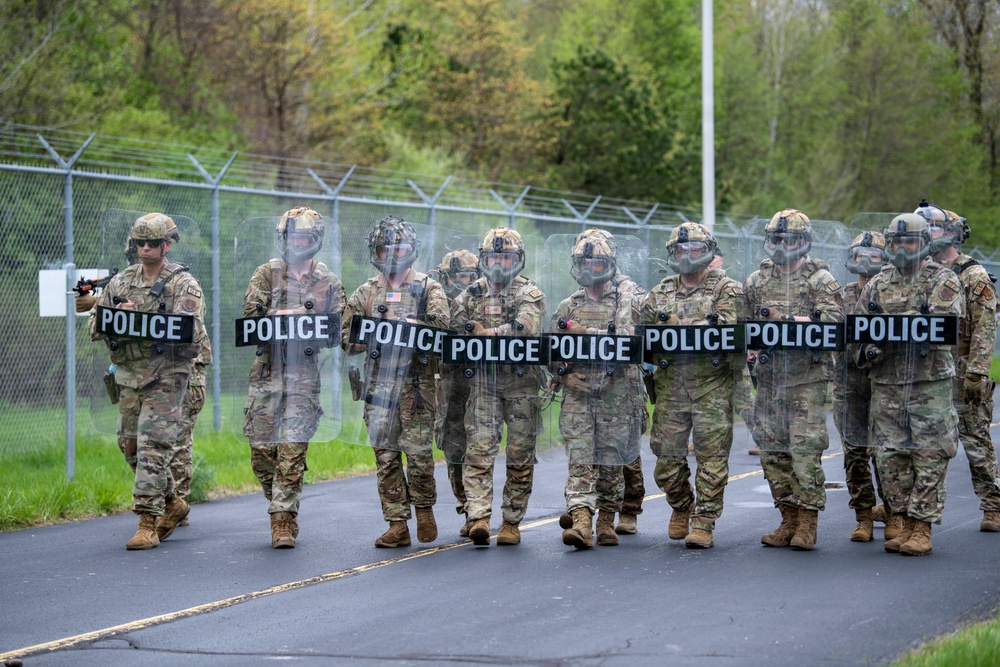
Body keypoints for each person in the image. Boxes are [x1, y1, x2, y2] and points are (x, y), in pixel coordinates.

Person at [88, 213, 207, 550]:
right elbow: (95, 327)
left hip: (167, 376)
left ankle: (147, 522)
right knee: (129, 446)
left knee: (152, 446)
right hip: (129, 376)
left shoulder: (184, 285)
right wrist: (117, 316)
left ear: (166, 245)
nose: (145, 248)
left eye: (152, 243)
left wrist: (142, 318)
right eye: (139, 242)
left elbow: (192, 335)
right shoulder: (121, 282)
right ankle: (173, 502)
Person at [857, 212, 964, 555]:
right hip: (887, 384)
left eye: (910, 241)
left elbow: (941, 323)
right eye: (896, 241)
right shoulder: (877, 283)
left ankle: (922, 527)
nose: (902, 247)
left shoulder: (943, 280)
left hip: (927, 384)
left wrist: (884, 328)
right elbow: (857, 331)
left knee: (929, 456)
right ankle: (901, 518)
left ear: (925, 244)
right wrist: (868, 348)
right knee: (889, 457)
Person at [342, 215, 448, 548]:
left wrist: (415, 327)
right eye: (385, 248)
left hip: (417, 387)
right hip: (378, 390)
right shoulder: (366, 293)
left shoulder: (429, 288)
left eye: (398, 248)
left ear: (410, 250)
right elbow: (345, 338)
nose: (392, 254)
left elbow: (444, 333)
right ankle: (397, 522)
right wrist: (373, 336)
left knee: (418, 456)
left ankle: (424, 509)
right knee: (386, 459)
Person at [243, 207, 345, 548]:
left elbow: (338, 329)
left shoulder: (328, 281)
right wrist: (293, 313)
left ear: (315, 240)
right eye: (291, 236)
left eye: (302, 236)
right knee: (261, 452)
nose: (296, 242)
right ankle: (278, 501)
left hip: (303, 375)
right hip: (266, 374)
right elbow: (250, 319)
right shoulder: (266, 274)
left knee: (291, 449)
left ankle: (282, 520)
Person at [744, 209, 844, 551]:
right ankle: (786, 517)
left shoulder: (820, 280)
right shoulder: (757, 281)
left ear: (804, 243)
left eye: (792, 240)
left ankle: (807, 521)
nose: (784, 245)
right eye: (777, 239)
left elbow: (832, 325)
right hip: (770, 379)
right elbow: (744, 329)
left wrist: (786, 319)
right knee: (772, 453)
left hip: (806, 379)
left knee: (804, 451)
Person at [642, 222, 744, 548]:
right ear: (672, 253)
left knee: (712, 460)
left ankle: (704, 523)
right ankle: (682, 506)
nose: (688, 255)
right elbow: (640, 333)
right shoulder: (660, 291)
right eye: (681, 250)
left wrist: (677, 325)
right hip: (671, 386)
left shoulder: (727, 288)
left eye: (695, 250)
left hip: (711, 386)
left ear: (708, 251)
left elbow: (729, 326)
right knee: (665, 462)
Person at [552, 230, 645, 549]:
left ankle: (607, 519)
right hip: (578, 398)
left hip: (616, 396)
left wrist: (583, 332)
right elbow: (550, 352)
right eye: (585, 261)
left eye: (598, 262)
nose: (590, 267)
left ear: (609, 264)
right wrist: (565, 377)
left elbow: (627, 338)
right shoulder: (568, 305)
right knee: (580, 457)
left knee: (610, 462)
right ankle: (581, 521)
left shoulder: (626, 298)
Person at [452, 227, 545, 546]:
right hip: (483, 385)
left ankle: (511, 522)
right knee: (478, 451)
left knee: (520, 455)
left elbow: (527, 327)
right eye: (493, 257)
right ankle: (478, 516)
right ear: (483, 258)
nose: (499, 264)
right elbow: (454, 334)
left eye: (506, 258)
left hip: (521, 385)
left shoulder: (528, 292)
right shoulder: (470, 294)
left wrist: (487, 334)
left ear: (517, 260)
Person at [917, 201, 1000, 532]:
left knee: (976, 442)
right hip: (931, 371)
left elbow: (985, 328)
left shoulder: (972, 274)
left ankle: (993, 505)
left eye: (932, 228)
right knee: (927, 445)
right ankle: (920, 510)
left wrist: (977, 373)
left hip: (963, 369)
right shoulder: (923, 272)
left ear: (950, 234)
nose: (927, 234)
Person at [833, 231, 891, 542]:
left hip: (883, 381)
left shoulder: (891, 295)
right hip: (848, 381)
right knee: (854, 453)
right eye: (859, 255)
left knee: (886, 452)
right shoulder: (841, 296)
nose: (865, 261)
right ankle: (864, 516)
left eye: (874, 255)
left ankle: (894, 513)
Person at [431, 249, 480, 536]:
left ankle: (478, 510)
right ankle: (466, 508)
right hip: (448, 382)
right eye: (462, 275)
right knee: (452, 446)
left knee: (478, 445)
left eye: (472, 275)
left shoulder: (482, 299)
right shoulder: (434, 298)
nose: (467, 281)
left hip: (479, 381)